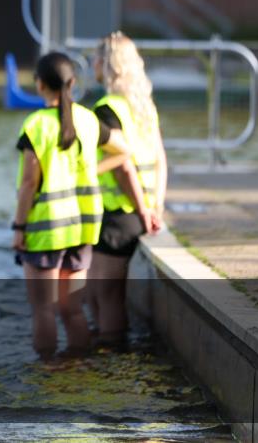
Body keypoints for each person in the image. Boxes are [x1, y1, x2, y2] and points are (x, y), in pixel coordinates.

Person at [11, 52, 130, 359]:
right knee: (72, 310)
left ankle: (47, 371)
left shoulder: (36, 125)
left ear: (39, 85)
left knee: (43, 311)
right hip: (82, 229)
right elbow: (123, 152)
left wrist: (19, 227)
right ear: (72, 83)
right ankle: (77, 368)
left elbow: (28, 184)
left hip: (45, 231)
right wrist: (94, 170)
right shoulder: (88, 119)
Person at [87, 32, 167, 344]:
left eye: (96, 58)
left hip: (118, 214)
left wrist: (141, 209)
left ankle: (109, 356)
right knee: (102, 293)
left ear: (109, 65)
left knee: (105, 297)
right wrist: (155, 207)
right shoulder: (144, 107)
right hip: (139, 211)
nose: (93, 63)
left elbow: (122, 165)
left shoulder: (106, 109)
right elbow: (160, 159)